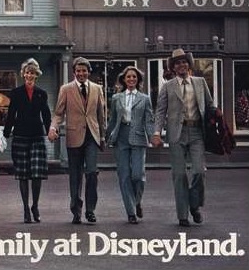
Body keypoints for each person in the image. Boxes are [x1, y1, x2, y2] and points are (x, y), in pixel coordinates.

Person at [151, 49, 214, 227]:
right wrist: (156, 133)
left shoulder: (200, 82)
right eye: (177, 63)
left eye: (184, 62)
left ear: (189, 64)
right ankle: (183, 215)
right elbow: (160, 111)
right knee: (179, 175)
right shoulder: (168, 86)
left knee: (199, 171)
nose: (181, 65)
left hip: (196, 133)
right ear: (173, 67)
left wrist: (216, 116)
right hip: (176, 134)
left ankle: (194, 205)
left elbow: (209, 105)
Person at [48, 56, 106, 224]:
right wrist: (53, 128)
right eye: (78, 71)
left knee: (92, 173)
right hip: (74, 137)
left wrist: (102, 136)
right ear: (74, 72)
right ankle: (76, 210)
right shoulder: (66, 89)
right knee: (75, 175)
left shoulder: (97, 89)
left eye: (84, 71)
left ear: (88, 72)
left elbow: (101, 115)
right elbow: (58, 113)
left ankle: (90, 210)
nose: (81, 73)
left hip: (92, 137)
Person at [3, 58, 51, 223]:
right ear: (23, 74)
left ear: (36, 75)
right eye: (27, 72)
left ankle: (35, 206)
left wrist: (51, 130)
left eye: (33, 73)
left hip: (37, 135)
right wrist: (6, 133)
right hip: (20, 135)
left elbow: (46, 114)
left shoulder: (41, 93)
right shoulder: (16, 93)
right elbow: (11, 115)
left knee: (37, 174)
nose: (30, 75)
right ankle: (25, 210)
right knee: (23, 174)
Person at [106, 66, 154, 224]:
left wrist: (153, 135)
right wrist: (108, 136)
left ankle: (137, 200)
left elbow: (149, 119)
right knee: (124, 175)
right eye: (128, 77)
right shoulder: (116, 98)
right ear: (124, 80)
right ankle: (131, 212)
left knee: (138, 174)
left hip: (139, 137)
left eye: (134, 77)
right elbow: (112, 119)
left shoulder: (145, 98)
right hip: (121, 137)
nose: (131, 79)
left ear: (138, 79)